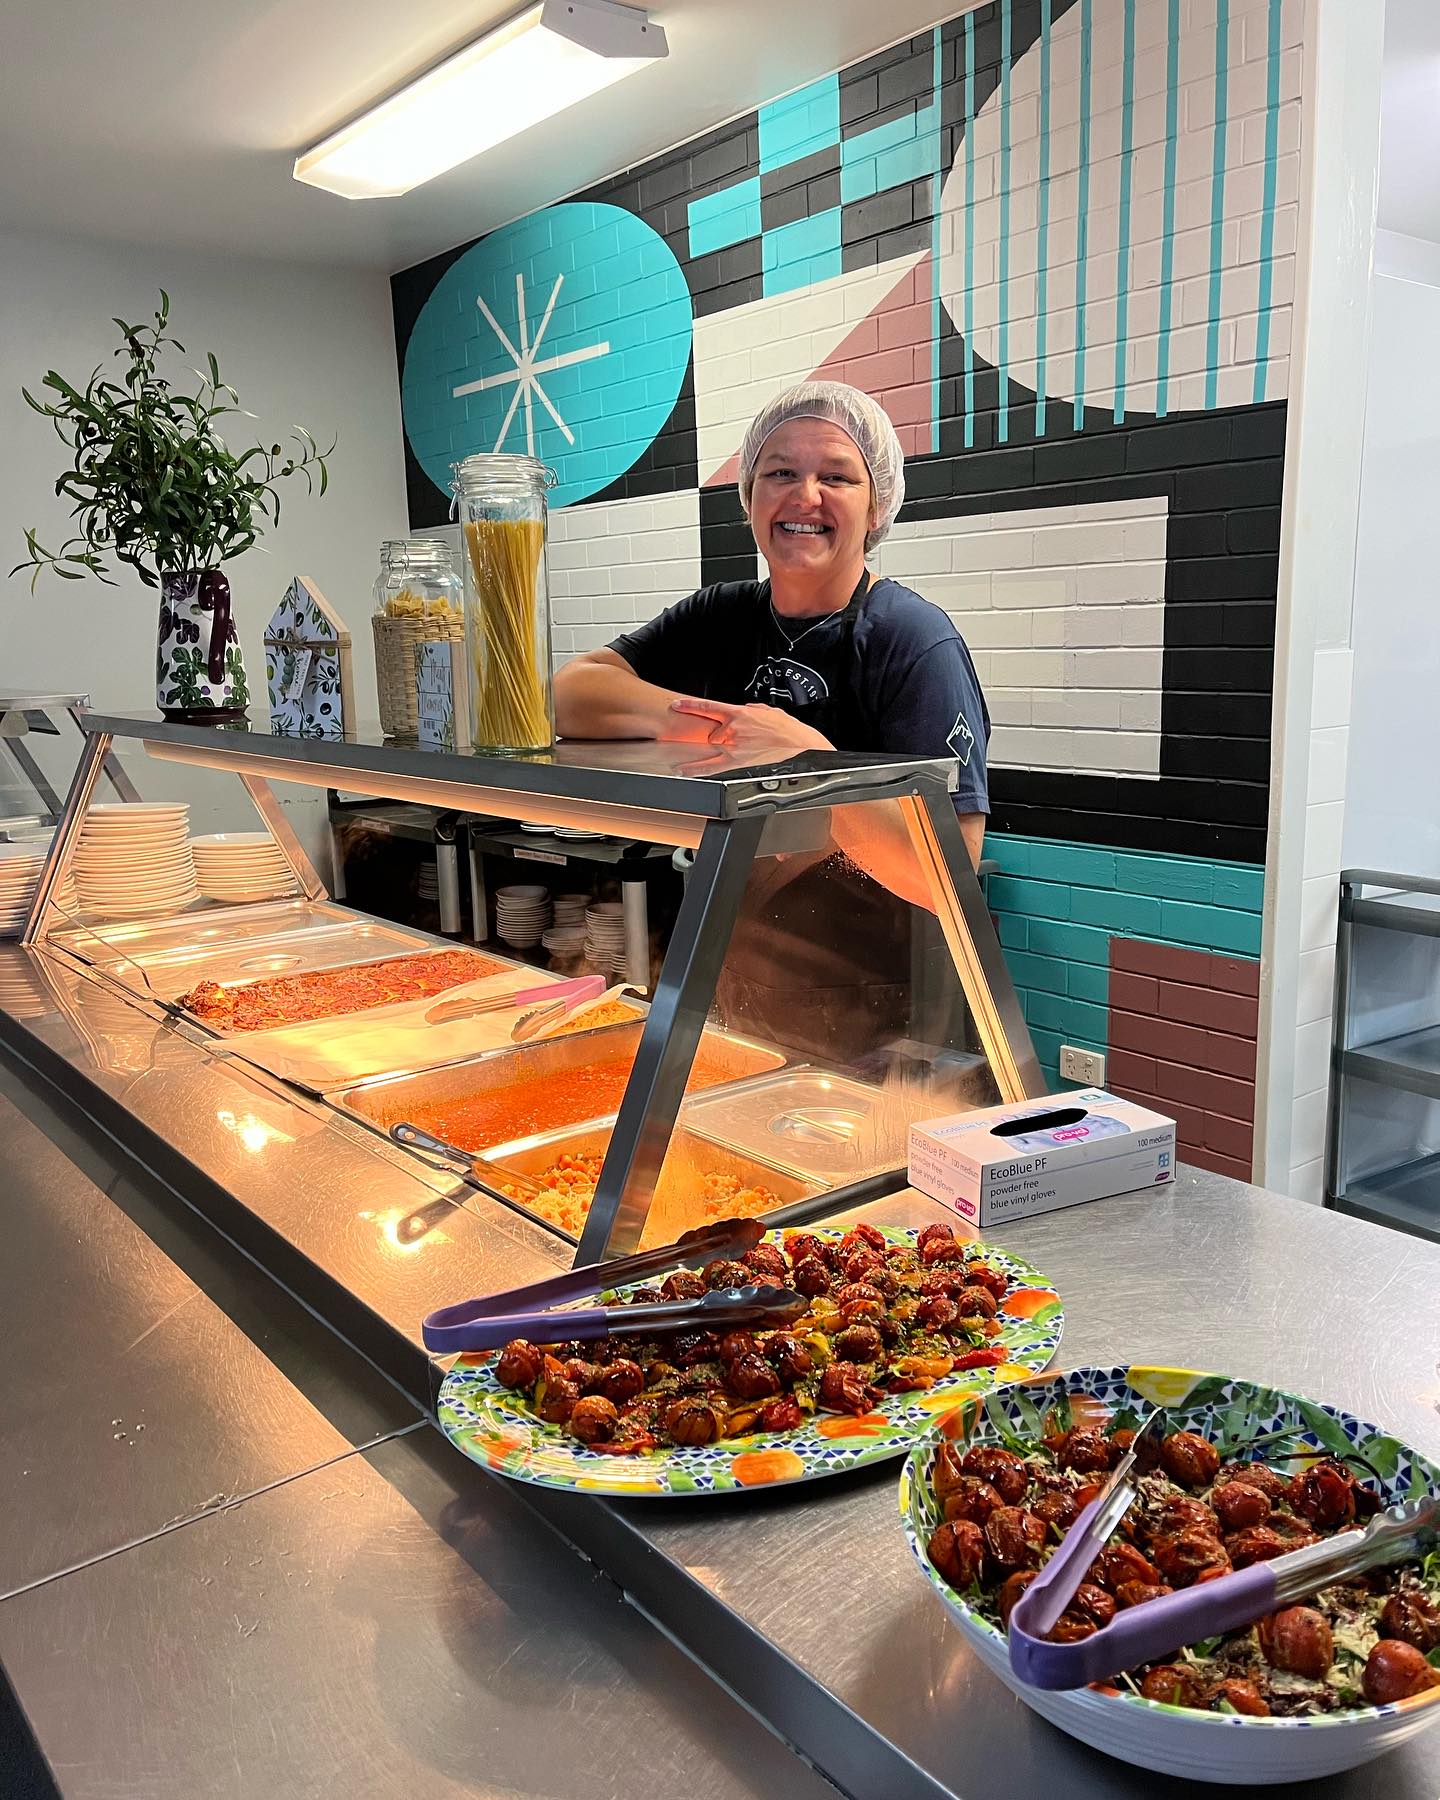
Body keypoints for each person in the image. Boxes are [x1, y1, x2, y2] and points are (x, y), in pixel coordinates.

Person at [554, 380, 990, 1061]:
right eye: (780, 472)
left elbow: (950, 873)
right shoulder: (720, 616)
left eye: (836, 477)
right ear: (750, 497)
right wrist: (716, 724)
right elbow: (573, 693)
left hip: (884, 1027)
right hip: (738, 992)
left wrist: (809, 760)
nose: (804, 496)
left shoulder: (914, 642)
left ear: (877, 506)